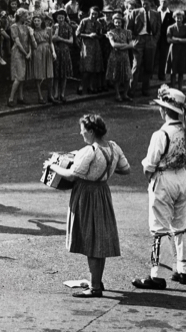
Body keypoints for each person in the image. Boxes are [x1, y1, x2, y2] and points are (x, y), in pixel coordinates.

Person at [48, 113, 131, 298]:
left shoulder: (90, 151)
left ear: (92, 131)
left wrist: (52, 166)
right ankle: (97, 280)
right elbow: (126, 169)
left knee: (90, 239)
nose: (81, 133)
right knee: (98, 238)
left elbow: (71, 175)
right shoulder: (113, 147)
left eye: (83, 130)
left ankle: (95, 287)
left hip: (86, 194)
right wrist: (108, 165)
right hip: (102, 193)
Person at [133, 86, 186, 289]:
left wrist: (150, 179)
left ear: (164, 110)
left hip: (164, 178)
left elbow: (149, 164)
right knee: (181, 225)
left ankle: (157, 275)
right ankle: (182, 270)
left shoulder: (161, 134)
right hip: (182, 178)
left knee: (159, 227)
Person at [127, 0, 162, 97]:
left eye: (146, 3)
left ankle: (145, 89)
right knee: (136, 66)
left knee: (149, 66)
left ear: (150, 3)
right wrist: (134, 40)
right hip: (139, 40)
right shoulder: (135, 13)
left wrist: (154, 40)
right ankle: (131, 91)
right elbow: (129, 28)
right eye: (143, 3)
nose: (144, 5)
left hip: (150, 40)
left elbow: (158, 29)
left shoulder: (156, 14)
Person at [8, 8, 35, 106]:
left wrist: (30, 52)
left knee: (22, 76)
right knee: (19, 77)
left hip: (26, 53)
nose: (27, 18)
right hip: (18, 53)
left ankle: (20, 97)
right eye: (25, 16)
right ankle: (10, 98)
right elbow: (17, 42)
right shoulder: (14, 26)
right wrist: (25, 53)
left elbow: (29, 41)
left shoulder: (26, 27)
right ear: (20, 16)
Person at [105, 12, 135, 103]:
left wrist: (121, 46)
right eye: (116, 22)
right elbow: (113, 44)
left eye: (119, 22)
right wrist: (125, 44)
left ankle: (125, 94)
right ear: (113, 22)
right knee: (116, 76)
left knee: (127, 76)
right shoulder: (111, 32)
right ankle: (117, 94)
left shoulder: (127, 32)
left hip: (125, 56)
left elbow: (131, 45)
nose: (118, 24)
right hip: (115, 56)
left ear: (122, 23)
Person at [165, 9, 186, 90]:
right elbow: (169, 40)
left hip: (183, 51)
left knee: (181, 71)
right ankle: (173, 88)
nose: (179, 19)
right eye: (177, 18)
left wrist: (176, 39)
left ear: (183, 18)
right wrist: (181, 40)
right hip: (173, 50)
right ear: (174, 18)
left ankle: (180, 88)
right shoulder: (170, 28)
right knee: (173, 71)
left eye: (180, 18)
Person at [30, 14, 55, 104]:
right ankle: (40, 97)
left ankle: (50, 96)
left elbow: (51, 42)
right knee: (39, 75)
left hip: (47, 51)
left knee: (50, 75)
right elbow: (31, 44)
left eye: (38, 20)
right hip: (37, 52)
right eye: (35, 21)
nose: (36, 22)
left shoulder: (48, 29)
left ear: (42, 21)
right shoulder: (32, 31)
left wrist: (54, 52)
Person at [52, 9, 74, 103]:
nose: (61, 19)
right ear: (56, 18)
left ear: (65, 18)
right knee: (56, 74)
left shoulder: (68, 27)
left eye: (62, 17)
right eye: (59, 17)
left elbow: (71, 41)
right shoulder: (53, 27)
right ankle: (56, 94)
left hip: (65, 51)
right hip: (56, 51)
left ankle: (62, 94)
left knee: (64, 74)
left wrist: (60, 39)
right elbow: (52, 39)